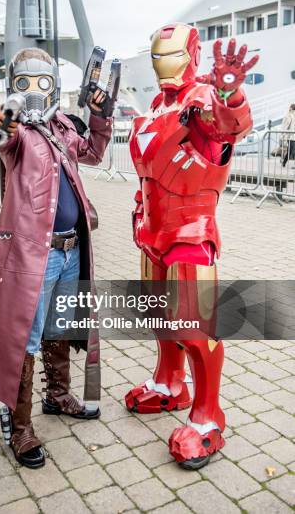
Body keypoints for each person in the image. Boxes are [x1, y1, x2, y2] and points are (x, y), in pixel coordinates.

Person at [0, 47, 113, 469]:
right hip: (34, 253)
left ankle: (57, 395)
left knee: (59, 328)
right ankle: (20, 424)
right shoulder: (19, 134)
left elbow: (93, 153)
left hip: (71, 247)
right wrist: (9, 109)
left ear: (55, 84)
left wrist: (100, 115)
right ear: (13, 85)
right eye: (24, 82)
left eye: (42, 82)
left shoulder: (61, 126)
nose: (34, 90)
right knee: (25, 335)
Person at [127, 23, 258, 470]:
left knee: (195, 324)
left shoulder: (200, 99)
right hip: (153, 231)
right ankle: (169, 382)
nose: (165, 66)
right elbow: (148, 171)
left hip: (190, 230)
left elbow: (229, 126)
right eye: (158, 57)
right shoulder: (158, 105)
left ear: (191, 54)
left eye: (173, 56)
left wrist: (229, 93)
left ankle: (207, 416)